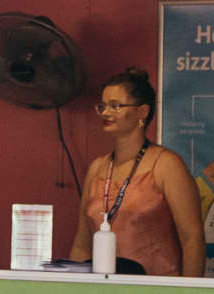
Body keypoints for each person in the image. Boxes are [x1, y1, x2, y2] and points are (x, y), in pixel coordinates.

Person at [80, 72, 199, 277]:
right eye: (102, 106)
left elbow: (192, 239)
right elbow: (81, 244)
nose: (105, 112)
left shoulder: (166, 165)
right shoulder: (97, 168)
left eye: (115, 105)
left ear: (142, 112)